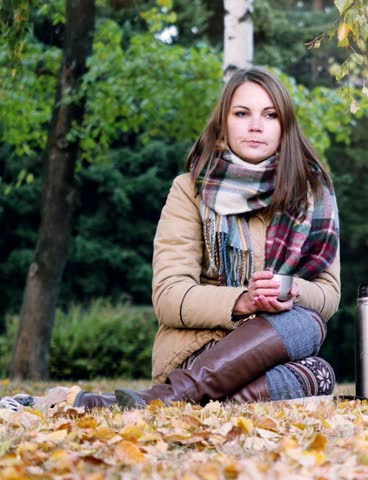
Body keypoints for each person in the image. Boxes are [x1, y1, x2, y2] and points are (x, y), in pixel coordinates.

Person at [74, 67, 340, 409]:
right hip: (198, 351)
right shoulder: (190, 190)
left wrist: (292, 290)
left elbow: (329, 294)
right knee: (302, 324)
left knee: (318, 369)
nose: (256, 125)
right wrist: (244, 301)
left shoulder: (313, 197)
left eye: (270, 115)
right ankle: (177, 393)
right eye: (242, 113)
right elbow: (169, 296)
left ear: (284, 126)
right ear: (223, 124)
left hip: (273, 350)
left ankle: (169, 402)